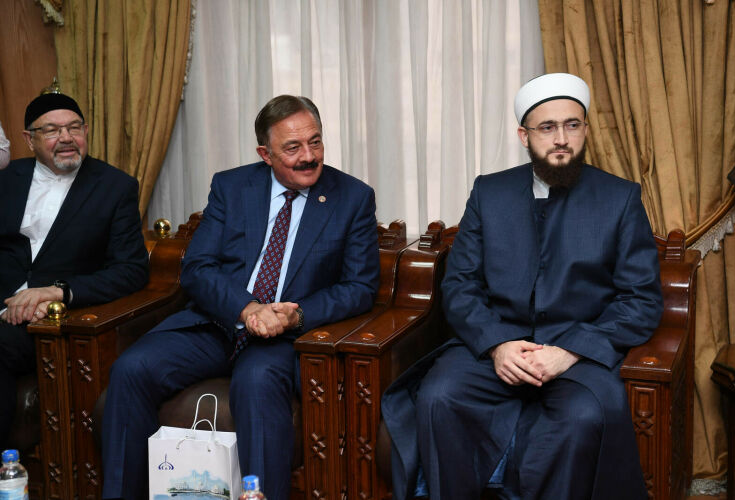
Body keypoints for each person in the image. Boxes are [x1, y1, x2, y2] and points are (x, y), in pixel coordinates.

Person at [381, 73, 664, 500]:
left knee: (584, 416)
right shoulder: (489, 192)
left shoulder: (619, 198)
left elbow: (640, 299)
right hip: (494, 347)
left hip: (579, 354)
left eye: (572, 125)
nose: (561, 139)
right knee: (439, 395)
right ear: (524, 136)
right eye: (547, 127)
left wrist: (569, 351)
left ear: (586, 130)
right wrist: (497, 345)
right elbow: (460, 284)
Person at [101, 95, 380, 500]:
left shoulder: (351, 197)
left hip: (283, 336)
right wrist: (247, 308)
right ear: (265, 154)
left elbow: (359, 287)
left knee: (257, 381)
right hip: (218, 322)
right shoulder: (232, 187)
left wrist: (295, 316)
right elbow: (197, 267)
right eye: (293, 147)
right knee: (132, 368)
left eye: (315, 142)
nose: (309, 156)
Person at [0, 92, 149, 449]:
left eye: (74, 128)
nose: (66, 138)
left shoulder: (115, 187)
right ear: (29, 139)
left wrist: (58, 292)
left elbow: (131, 270)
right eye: (52, 130)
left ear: (86, 131)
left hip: (48, 321)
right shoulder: (7, 179)